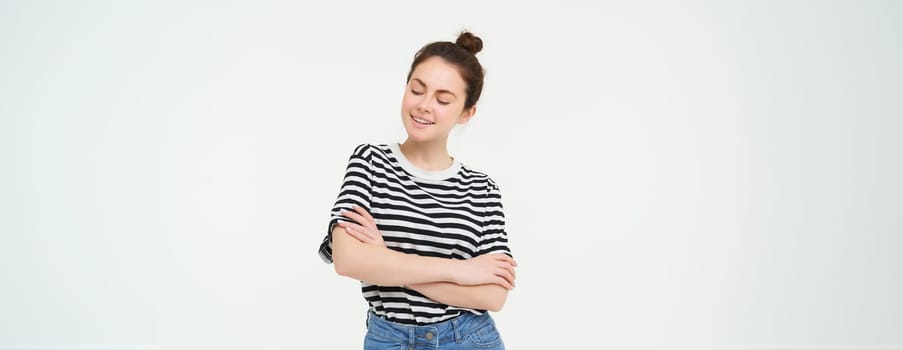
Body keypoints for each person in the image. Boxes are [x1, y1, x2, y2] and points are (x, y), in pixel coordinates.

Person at [318, 31, 516, 350]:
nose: (424, 106)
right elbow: (348, 259)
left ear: (467, 112)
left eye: (443, 99)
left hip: (469, 339)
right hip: (388, 339)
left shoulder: (482, 189)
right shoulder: (370, 161)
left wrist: (384, 259)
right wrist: (459, 271)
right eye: (417, 90)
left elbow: (493, 295)